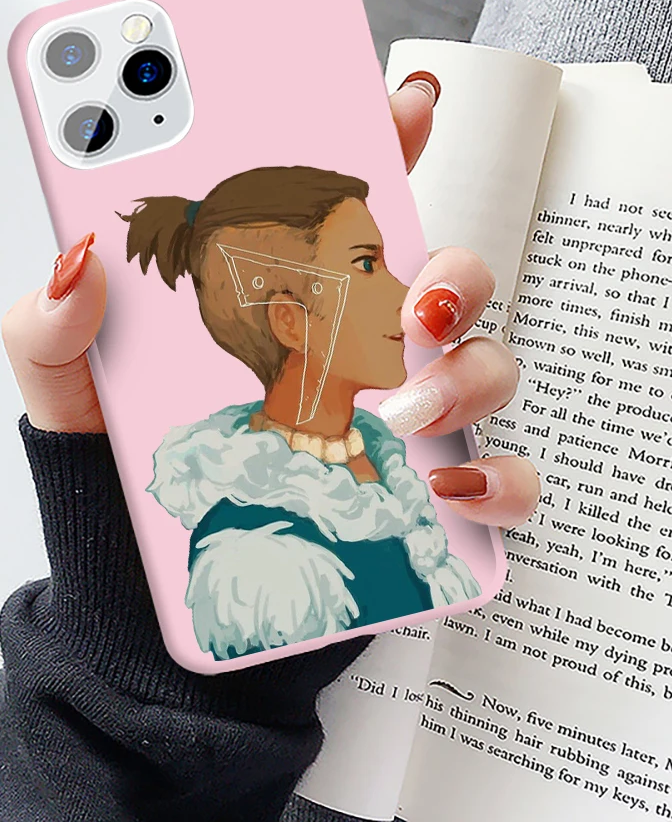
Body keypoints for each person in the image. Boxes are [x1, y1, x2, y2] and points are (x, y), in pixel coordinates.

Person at [0, 0, 672, 815]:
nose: (396, 281)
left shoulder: (308, 491)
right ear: (290, 315)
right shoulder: (248, 543)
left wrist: (135, 670)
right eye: (368, 263)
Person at [120, 166, 480, 661]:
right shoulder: (258, 562)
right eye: (366, 265)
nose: (404, 297)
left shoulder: (380, 455)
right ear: (291, 322)